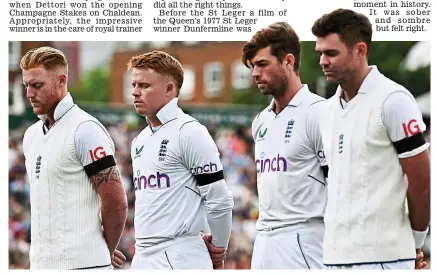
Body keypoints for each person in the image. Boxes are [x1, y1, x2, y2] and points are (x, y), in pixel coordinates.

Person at [312, 9, 430, 269]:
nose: (322, 61)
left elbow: (422, 182)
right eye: (319, 53)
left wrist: (416, 241)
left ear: (360, 50)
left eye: (331, 53)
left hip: (386, 259)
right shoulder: (327, 111)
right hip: (334, 258)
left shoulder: (393, 100)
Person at [20, 46, 128, 270]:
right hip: (39, 265)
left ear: (61, 80)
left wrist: (103, 250)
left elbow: (116, 202)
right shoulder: (31, 135)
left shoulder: (85, 129)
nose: (29, 93)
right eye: (27, 85)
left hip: (86, 267)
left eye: (37, 85)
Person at [127, 50, 234, 269]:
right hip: (142, 256)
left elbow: (219, 199)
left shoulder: (190, 131)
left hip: (179, 255)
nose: (135, 92)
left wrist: (219, 248)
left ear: (169, 89)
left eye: (144, 86)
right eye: (134, 85)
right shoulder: (140, 140)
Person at [241, 22, 328, 269]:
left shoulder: (319, 112)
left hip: (306, 240)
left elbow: (342, 187)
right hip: (265, 240)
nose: (255, 74)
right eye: (252, 66)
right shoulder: (261, 121)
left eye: (262, 64)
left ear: (288, 61)